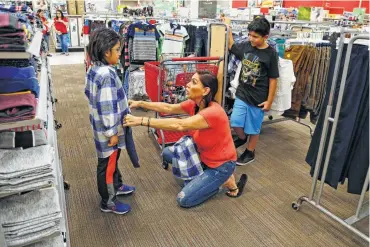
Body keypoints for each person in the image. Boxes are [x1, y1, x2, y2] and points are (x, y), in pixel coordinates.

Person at [123, 71, 247, 208]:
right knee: (166, 153)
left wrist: (140, 120)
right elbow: (168, 107)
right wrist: (140, 103)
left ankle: (221, 183)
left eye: (193, 82)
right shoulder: (195, 104)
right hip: (203, 155)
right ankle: (205, 179)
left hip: (221, 166)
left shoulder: (213, 112)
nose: (187, 85)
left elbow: (179, 125)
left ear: (205, 90)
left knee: (184, 200)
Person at [85, 28, 135, 215]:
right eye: (117, 49)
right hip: (107, 130)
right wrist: (112, 132)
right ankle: (108, 201)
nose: (120, 53)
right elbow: (107, 107)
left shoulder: (94, 69)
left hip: (101, 127)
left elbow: (90, 95)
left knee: (112, 160)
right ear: (107, 52)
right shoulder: (106, 74)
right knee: (107, 164)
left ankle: (117, 185)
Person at [228, 17, 279, 166]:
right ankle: (242, 138)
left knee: (254, 128)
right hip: (242, 93)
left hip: (258, 98)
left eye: (255, 36)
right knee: (235, 121)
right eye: (249, 35)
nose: (251, 38)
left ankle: (250, 151)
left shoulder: (271, 54)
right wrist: (228, 26)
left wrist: (269, 101)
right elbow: (231, 45)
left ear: (265, 37)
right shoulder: (246, 46)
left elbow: (273, 79)